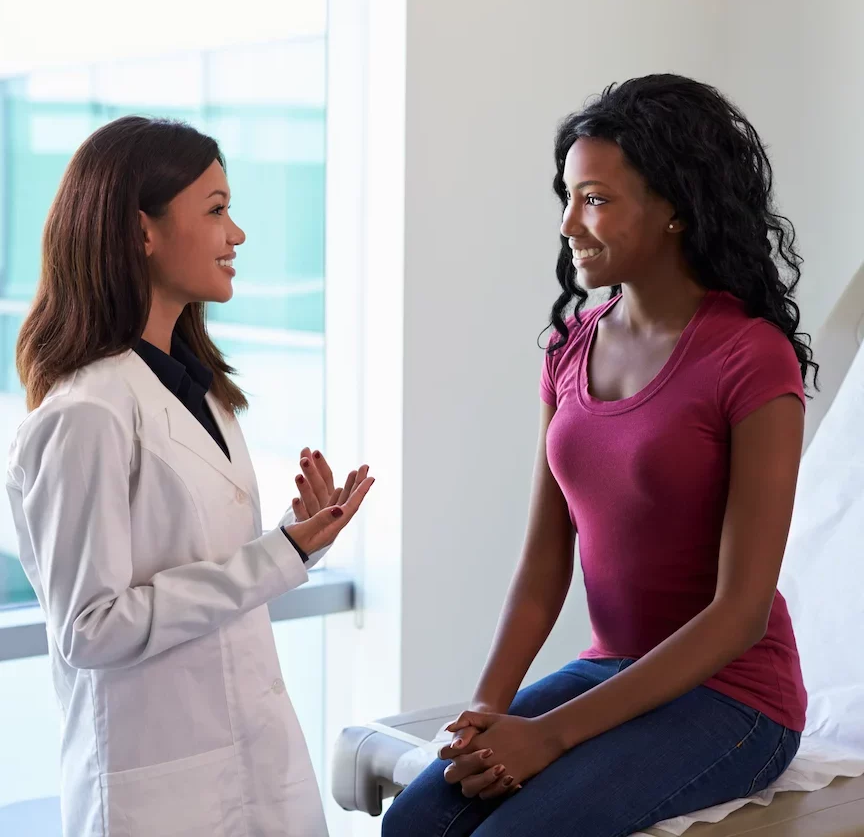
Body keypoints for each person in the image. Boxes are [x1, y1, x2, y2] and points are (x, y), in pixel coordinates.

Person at [382, 74, 817, 837]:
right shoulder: (568, 349)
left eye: (595, 198)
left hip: (737, 698)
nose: (568, 224)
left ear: (676, 209)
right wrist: (486, 711)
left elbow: (741, 615)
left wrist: (548, 734)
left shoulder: (752, 357)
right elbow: (544, 562)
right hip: (612, 669)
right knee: (415, 824)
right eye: (569, 196)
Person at [6, 116, 373, 837]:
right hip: (158, 794)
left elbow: (204, 571)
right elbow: (90, 628)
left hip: (253, 765)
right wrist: (282, 555)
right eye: (215, 210)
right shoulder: (86, 415)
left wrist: (302, 540)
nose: (235, 235)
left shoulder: (198, 391)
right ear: (141, 230)